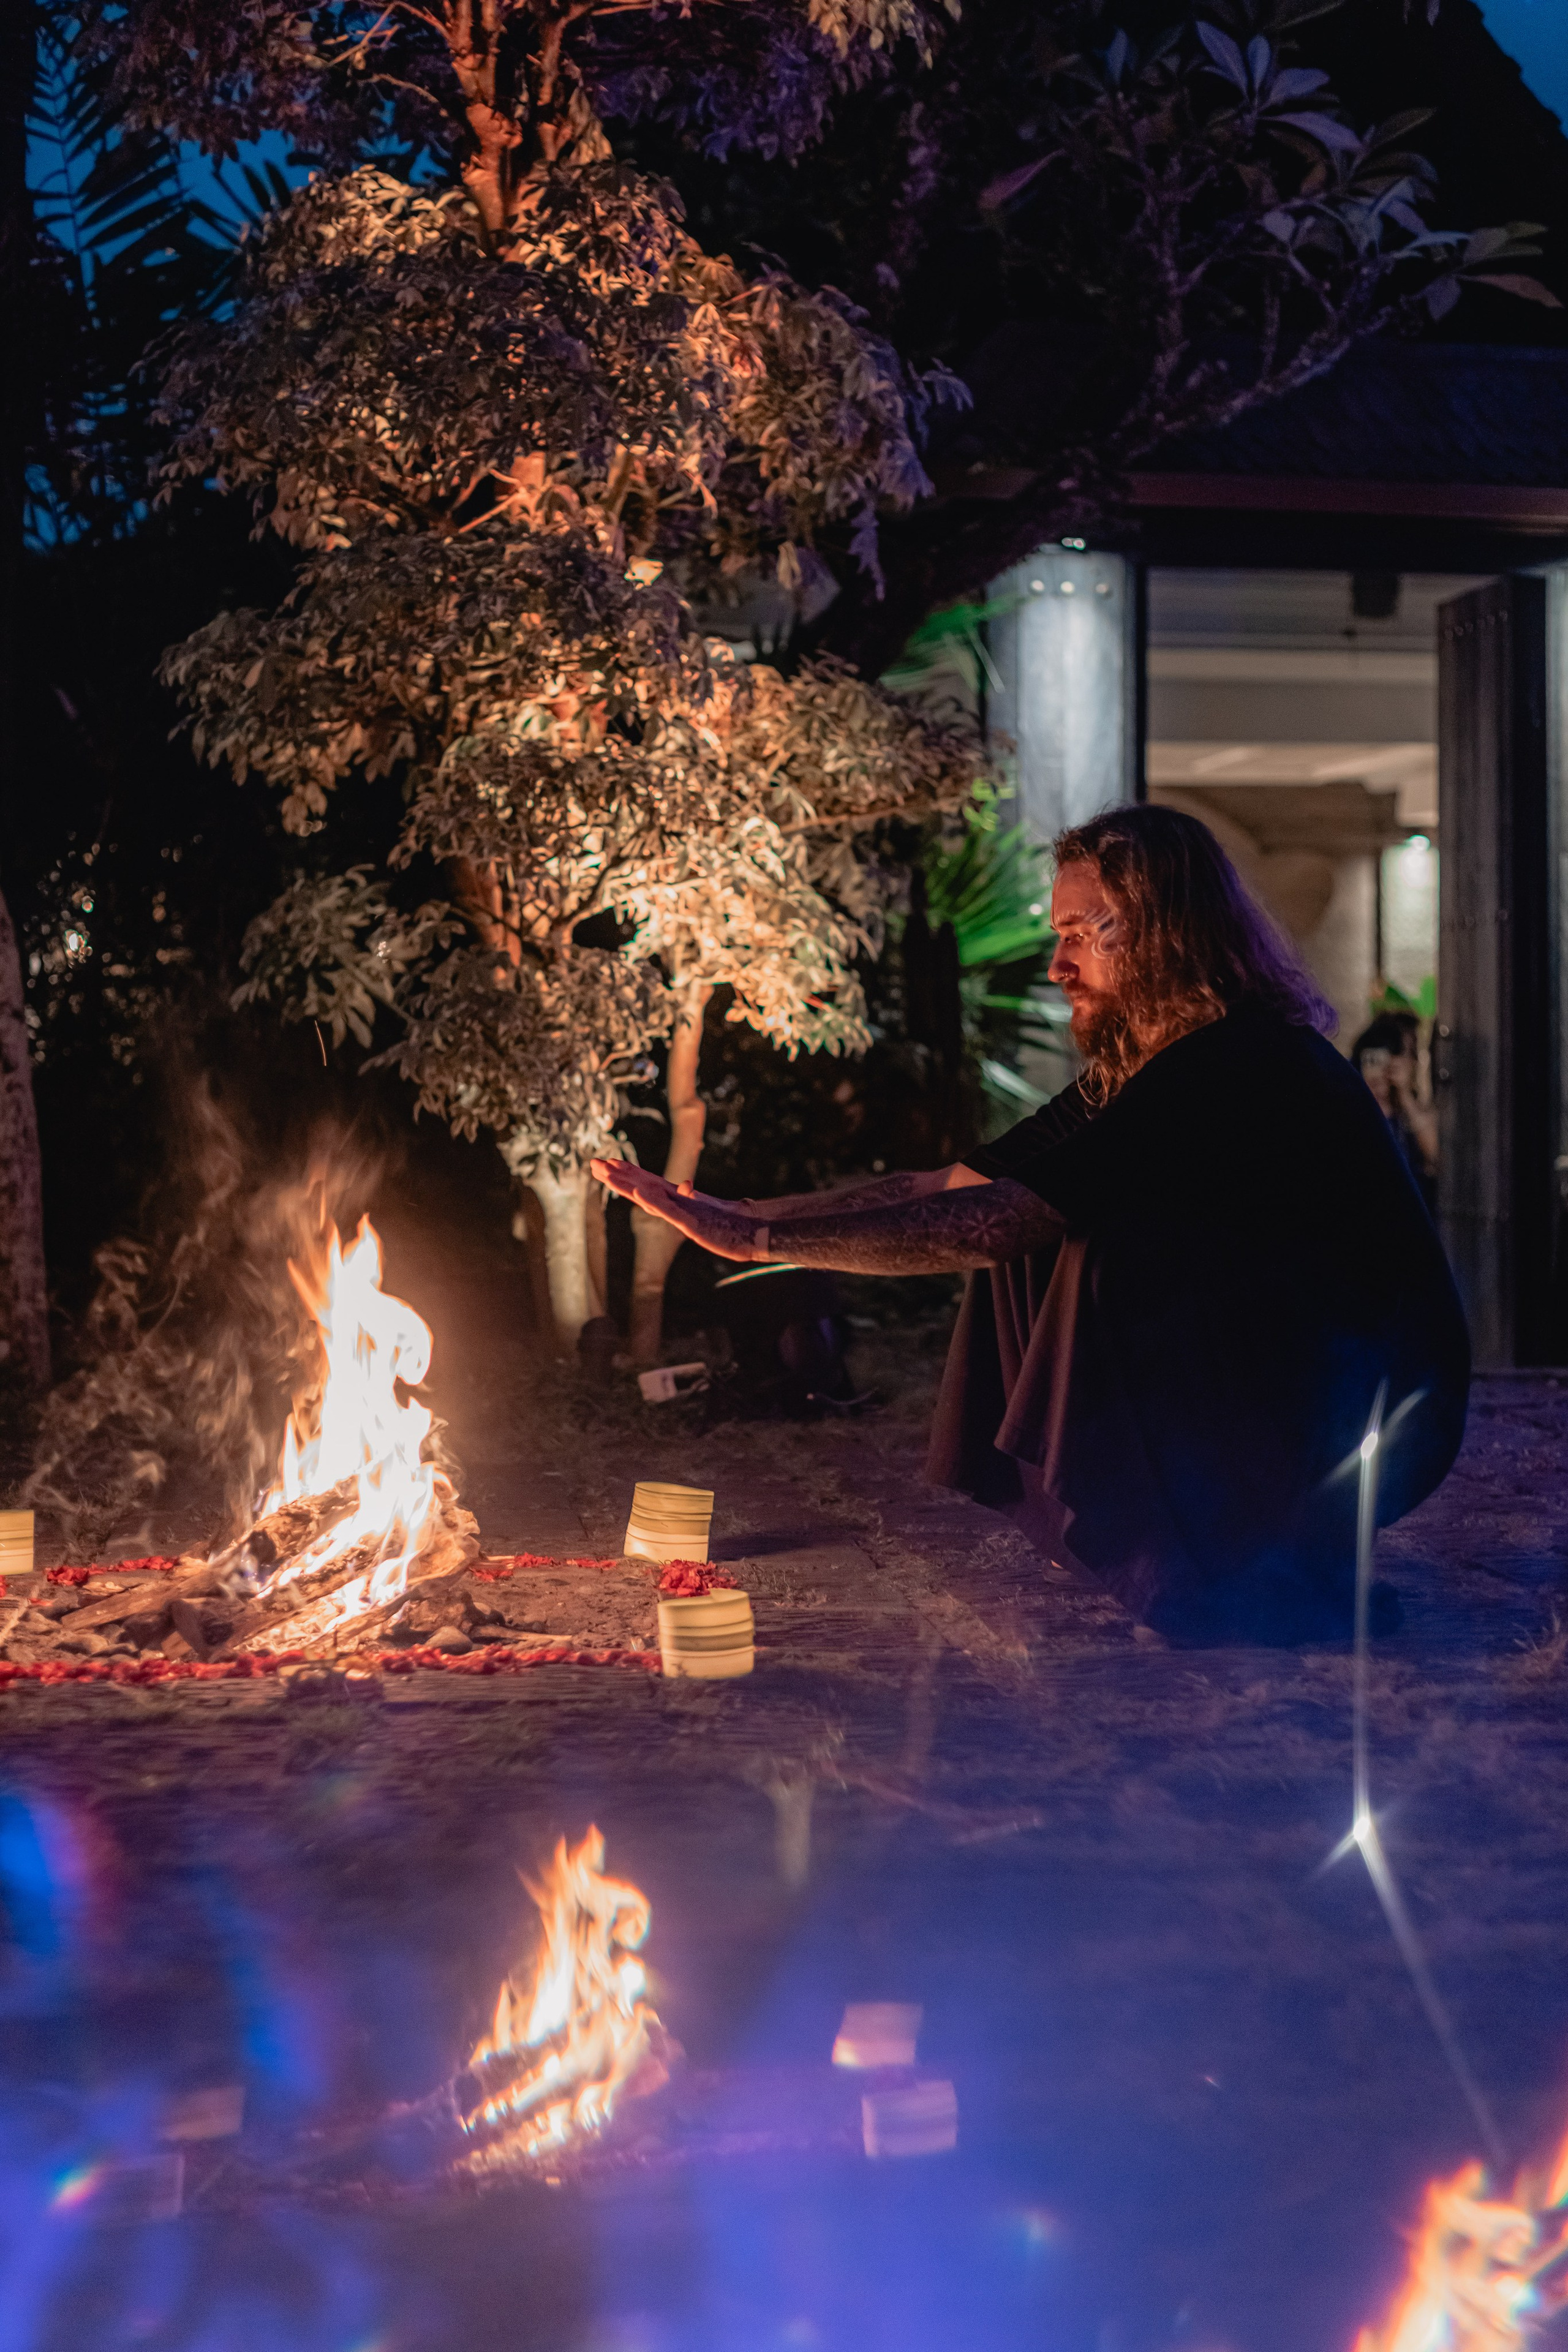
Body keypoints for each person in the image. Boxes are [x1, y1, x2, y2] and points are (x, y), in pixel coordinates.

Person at [595, 805, 1469, 1644]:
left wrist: (759, 1246)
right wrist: (745, 1216)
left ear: (1165, 930)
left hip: (1369, 1420)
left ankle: (1212, 1554)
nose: (1059, 965)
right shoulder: (1151, 1066)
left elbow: (989, 1224)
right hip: (1301, 1396)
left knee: (1069, 1237)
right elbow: (952, 1182)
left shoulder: (1237, 1065)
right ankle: (1154, 1535)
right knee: (1031, 1208)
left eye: (1084, 932)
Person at [1351, 1011, 1438, 1211]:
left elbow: (1435, 1158)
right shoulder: (1353, 1111)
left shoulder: (1409, 1114)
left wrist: (1405, 1094)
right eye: (1372, 1059)